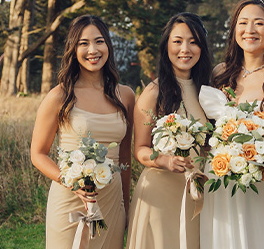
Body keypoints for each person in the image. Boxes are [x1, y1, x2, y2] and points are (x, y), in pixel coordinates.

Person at [198, 0, 264, 249]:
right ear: (234, 31)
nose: (250, 30)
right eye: (243, 23)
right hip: (220, 180)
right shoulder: (219, 74)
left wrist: (260, 152)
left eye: (258, 23)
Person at [31, 15, 135, 249]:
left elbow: (125, 158)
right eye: (83, 43)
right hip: (70, 200)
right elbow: (38, 153)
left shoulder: (125, 96)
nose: (92, 50)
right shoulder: (59, 96)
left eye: (99, 41)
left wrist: (125, 207)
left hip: (111, 202)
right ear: (73, 49)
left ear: (108, 45)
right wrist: (69, 181)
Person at [127, 13, 211, 249]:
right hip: (161, 193)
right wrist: (163, 160)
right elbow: (141, 150)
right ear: (166, 47)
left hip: (198, 192)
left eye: (193, 41)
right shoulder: (154, 92)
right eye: (177, 41)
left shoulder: (207, 90)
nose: (185, 49)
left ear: (202, 47)